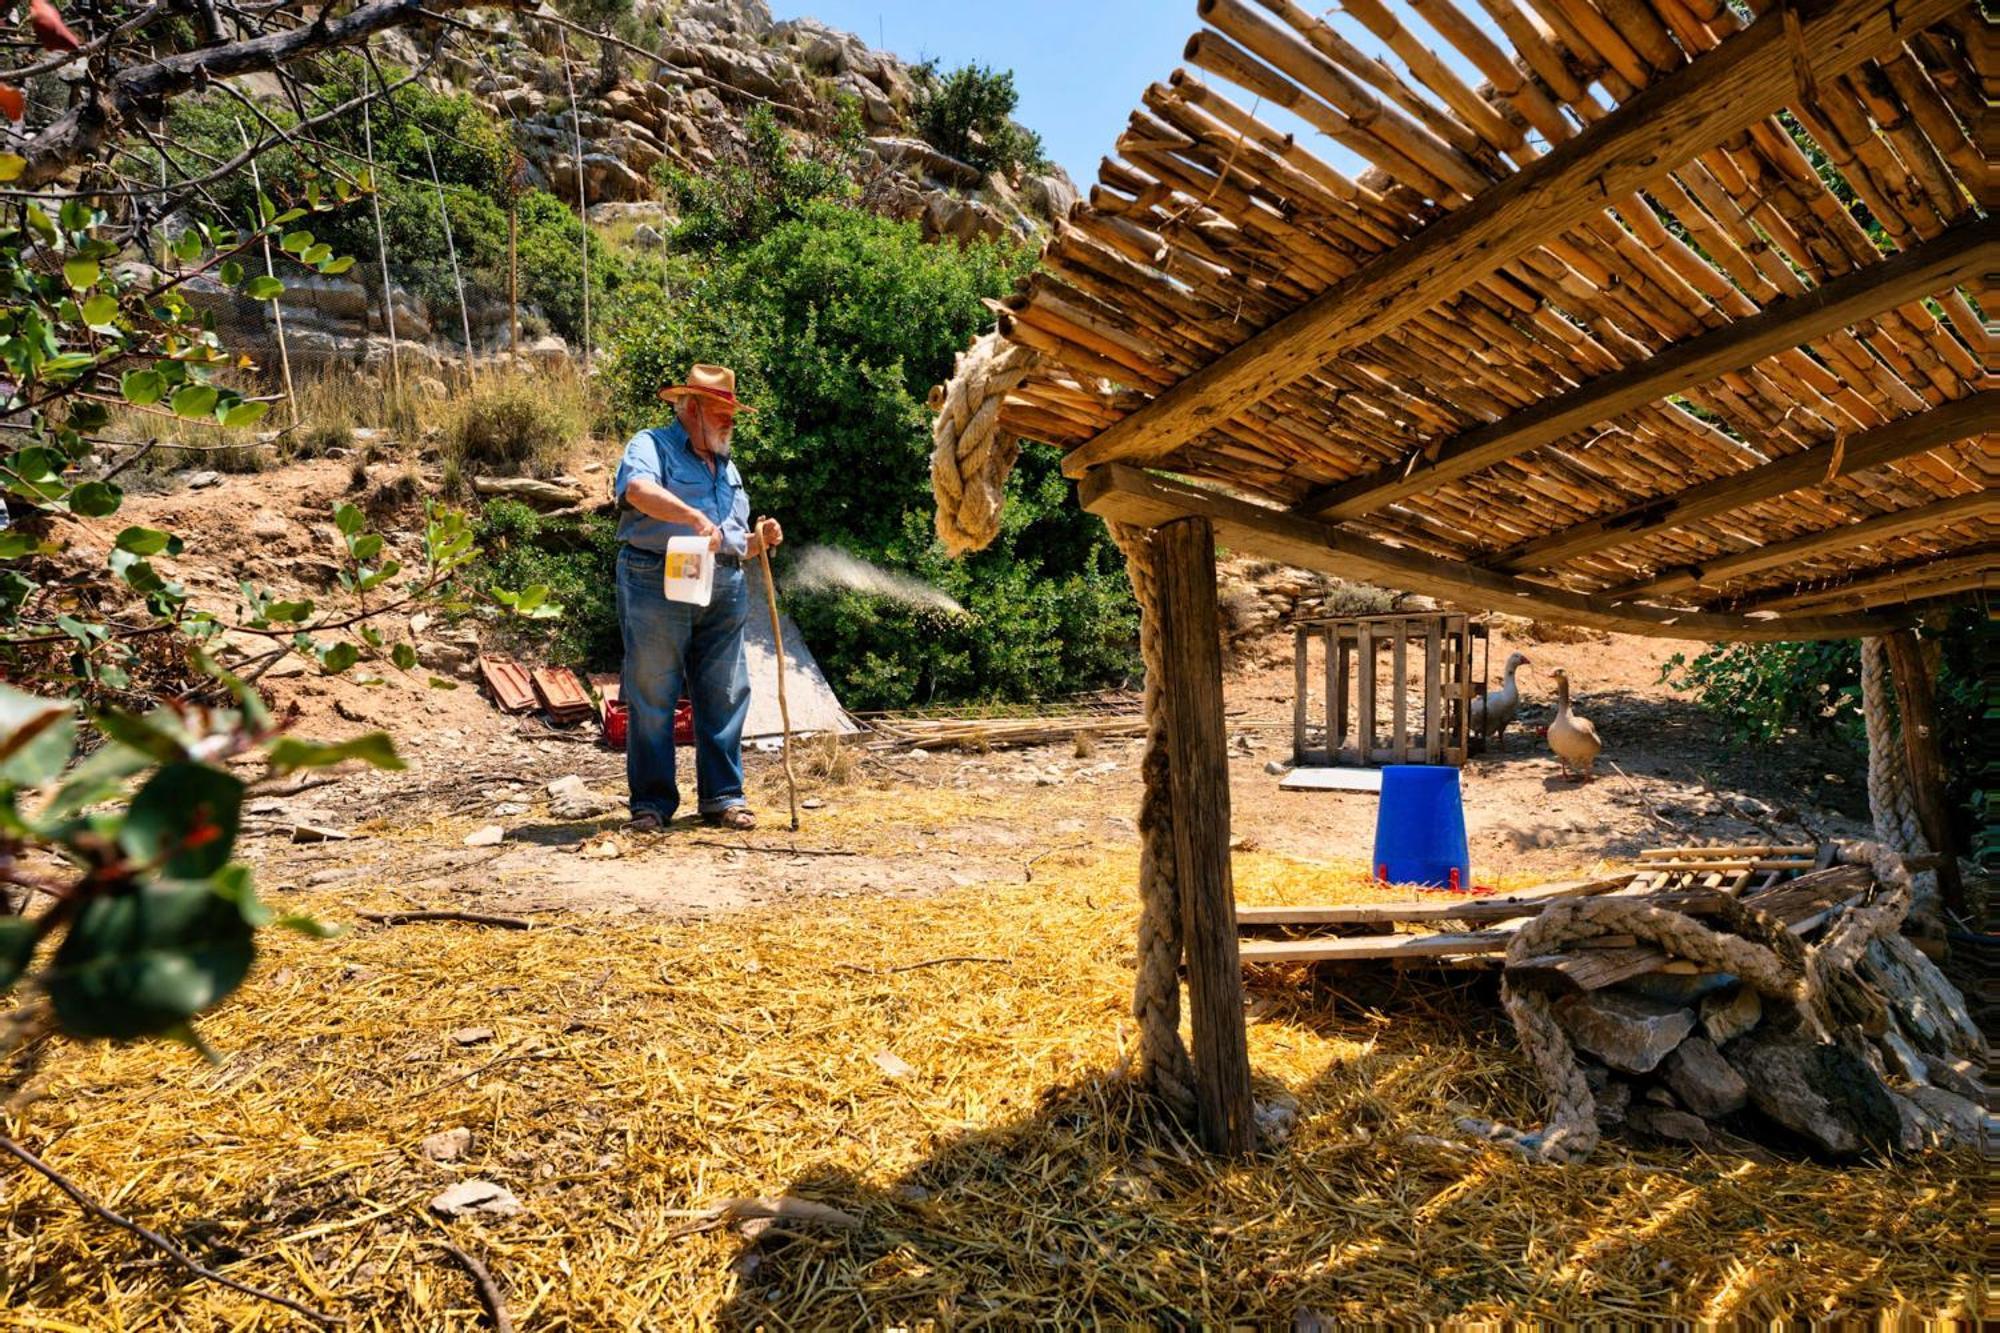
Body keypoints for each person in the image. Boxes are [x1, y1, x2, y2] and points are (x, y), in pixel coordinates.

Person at [613, 364, 783, 832]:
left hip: (722, 583)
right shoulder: (652, 445)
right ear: (690, 408)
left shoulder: (728, 468)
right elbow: (638, 490)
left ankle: (723, 798)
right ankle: (651, 805)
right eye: (720, 411)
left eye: (733, 411)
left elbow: (729, 542)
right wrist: (690, 517)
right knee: (653, 694)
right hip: (655, 577)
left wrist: (759, 540)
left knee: (725, 692)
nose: (730, 420)